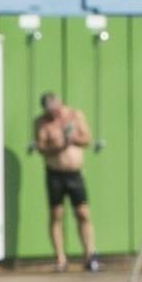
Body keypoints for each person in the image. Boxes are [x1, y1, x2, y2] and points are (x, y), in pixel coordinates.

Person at [31, 92, 99, 270]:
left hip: (74, 173)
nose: (56, 114)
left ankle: (89, 255)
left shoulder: (75, 115)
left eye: (57, 110)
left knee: (83, 213)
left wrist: (72, 139)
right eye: (51, 112)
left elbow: (87, 139)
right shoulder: (41, 123)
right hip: (55, 174)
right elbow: (41, 147)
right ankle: (60, 258)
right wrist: (59, 145)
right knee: (56, 214)